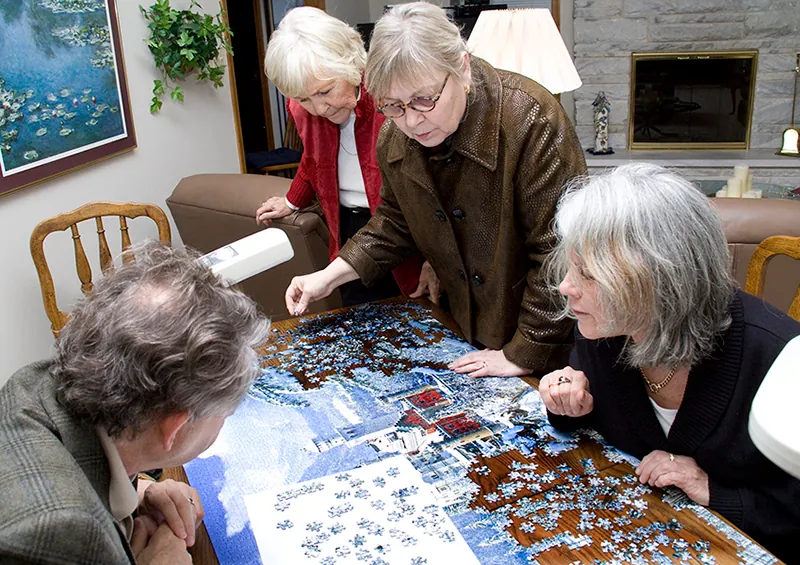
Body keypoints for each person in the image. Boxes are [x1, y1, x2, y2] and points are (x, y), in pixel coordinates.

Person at [283, 2, 587, 377]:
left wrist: (523, 353)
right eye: (392, 106)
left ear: (461, 66)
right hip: (465, 327)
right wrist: (327, 276)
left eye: (424, 99)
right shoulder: (395, 136)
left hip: (542, 342)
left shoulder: (532, 119)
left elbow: (559, 252)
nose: (411, 121)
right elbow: (395, 223)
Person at [539, 163, 800, 562]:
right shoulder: (602, 329)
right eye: (572, 267)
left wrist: (714, 491)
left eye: (588, 274)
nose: (565, 287)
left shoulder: (779, 360)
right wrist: (567, 404)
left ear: (659, 281)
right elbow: (601, 422)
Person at [0, 242, 269, 565]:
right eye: (226, 410)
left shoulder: (34, 383)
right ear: (176, 428)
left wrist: (137, 491)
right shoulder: (66, 537)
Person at [255, 6, 437, 307]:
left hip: (407, 230)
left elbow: (434, 183)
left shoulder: (393, 100)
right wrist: (291, 201)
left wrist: (435, 261)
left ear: (351, 60)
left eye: (325, 92)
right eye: (303, 98)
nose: (318, 108)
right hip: (350, 228)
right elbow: (313, 160)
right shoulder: (304, 111)